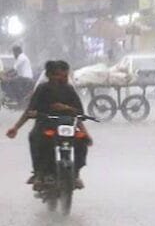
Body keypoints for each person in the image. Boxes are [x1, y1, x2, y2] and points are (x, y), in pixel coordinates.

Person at [5, 60, 91, 189]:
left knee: (81, 141)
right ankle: (39, 173)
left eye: (64, 75)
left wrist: (66, 109)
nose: (62, 78)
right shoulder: (42, 89)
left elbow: (79, 114)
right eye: (58, 75)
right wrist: (16, 127)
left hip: (66, 125)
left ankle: (76, 174)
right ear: (50, 75)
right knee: (35, 138)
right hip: (45, 124)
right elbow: (29, 111)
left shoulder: (69, 89)